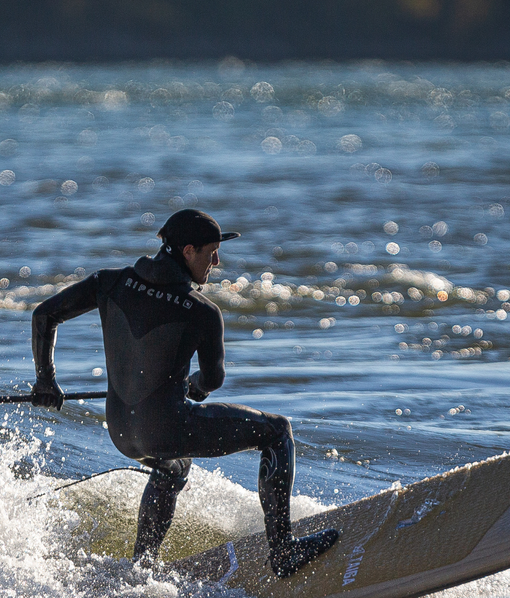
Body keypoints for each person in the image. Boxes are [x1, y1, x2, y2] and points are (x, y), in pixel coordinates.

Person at [30, 208, 338, 578]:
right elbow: (212, 380)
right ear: (188, 251)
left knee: (174, 465)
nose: (216, 262)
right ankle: (284, 551)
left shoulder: (109, 282)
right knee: (277, 432)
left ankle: (142, 568)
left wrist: (46, 380)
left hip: (122, 432)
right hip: (165, 429)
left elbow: (44, 315)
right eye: (212, 253)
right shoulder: (201, 310)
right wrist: (194, 386)